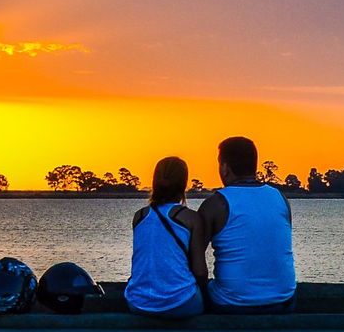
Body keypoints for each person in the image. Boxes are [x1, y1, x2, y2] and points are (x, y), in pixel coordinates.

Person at [197, 136, 296, 313]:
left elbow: (195, 259)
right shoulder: (280, 198)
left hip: (231, 303)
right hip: (283, 299)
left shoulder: (216, 204)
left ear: (225, 168)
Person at [124, 156, 207, 319]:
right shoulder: (191, 218)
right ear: (183, 184)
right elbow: (200, 272)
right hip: (182, 304)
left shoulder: (139, 217)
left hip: (137, 303)